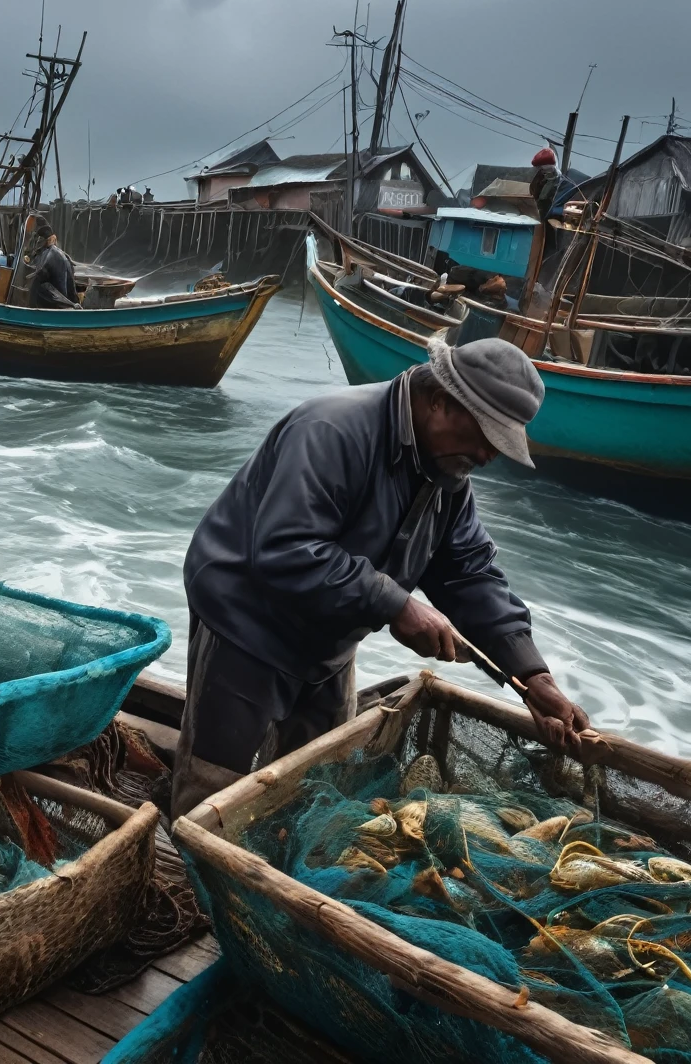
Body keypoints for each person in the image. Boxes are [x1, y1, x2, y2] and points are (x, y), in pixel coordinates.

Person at [173, 338, 591, 817]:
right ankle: (186, 878)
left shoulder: (447, 477)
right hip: (245, 620)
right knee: (213, 785)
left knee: (314, 781)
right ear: (439, 401)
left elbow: (469, 575)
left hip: (330, 635)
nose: (489, 454)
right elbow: (285, 550)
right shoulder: (332, 430)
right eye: (486, 435)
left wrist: (531, 673)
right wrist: (397, 604)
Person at [24, 218, 77, 309]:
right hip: (66, 302)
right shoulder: (61, 254)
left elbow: (38, 278)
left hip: (55, 306)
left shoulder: (50, 254)